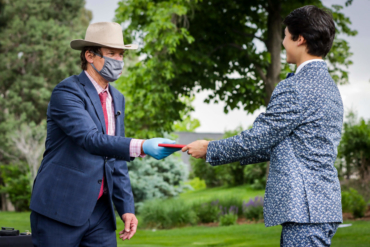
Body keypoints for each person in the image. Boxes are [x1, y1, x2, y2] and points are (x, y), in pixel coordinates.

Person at [183, 6, 343, 247]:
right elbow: (285, 145)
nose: (283, 41)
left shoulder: (297, 87)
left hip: (305, 209)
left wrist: (211, 149)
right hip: (321, 206)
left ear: (300, 39)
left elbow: (258, 138)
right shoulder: (330, 87)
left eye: (286, 35)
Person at [29, 22, 178, 247]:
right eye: (111, 54)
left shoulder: (117, 98)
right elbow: (90, 139)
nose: (118, 61)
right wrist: (142, 146)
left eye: (121, 55)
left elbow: (115, 158)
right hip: (59, 209)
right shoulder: (67, 92)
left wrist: (126, 208)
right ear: (90, 55)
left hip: (100, 213)